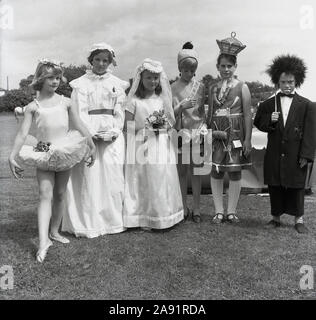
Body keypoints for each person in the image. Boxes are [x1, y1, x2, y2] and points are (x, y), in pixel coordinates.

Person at [8, 59, 96, 262]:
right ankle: (42, 241)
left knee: (59, 193)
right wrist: (12, 155)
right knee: (45, 194)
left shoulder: (66, 102)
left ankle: (54, 232)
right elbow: (22, 134)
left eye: (57, 77)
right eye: (50, 77)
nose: (55, 81)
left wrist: (91, 146)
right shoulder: (32, 106)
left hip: (64, 150)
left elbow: (79, 124)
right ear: (40, 79)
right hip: (43, 151)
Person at [62, 43, 129, 238]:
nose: (101, 63)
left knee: (112, 176)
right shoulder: (80, 84)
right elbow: (78, 111)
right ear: (91, 60)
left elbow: (120, 110)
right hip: (86, 131)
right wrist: (90, 133)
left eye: (105, 60)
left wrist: (114, 130)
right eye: (97, 59)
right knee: (88, 177)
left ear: (110, 62)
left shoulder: (118, 83)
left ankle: (112, 221)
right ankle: (88, 222)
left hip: (111, 133)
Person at [254, 54, 316, 233]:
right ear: (277, 83)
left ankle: (299, 220)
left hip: (297, 154)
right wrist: (270, 121)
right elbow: (258, 122)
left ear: (296, 81)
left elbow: (311, 133)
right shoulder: (268, 104)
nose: (287, 85)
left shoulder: (307, 105)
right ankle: (275, 218)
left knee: (297, 186)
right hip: (274, 153)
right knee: (275, 185)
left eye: (291, 82)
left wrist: (306, 155)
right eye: (284, 82)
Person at [123, 58, 184, 229]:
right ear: (141, 79)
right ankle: (142, 216)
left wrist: (161, 126)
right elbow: (127, 126)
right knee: (142, 179)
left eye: (155, 78)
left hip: (160, 143)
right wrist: (146, 127)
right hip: (140, 144)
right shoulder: (134, 101)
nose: (153, 81)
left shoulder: (162, 100)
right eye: (149, 78)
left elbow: (170, 121)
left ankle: (162, 215)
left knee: (160, 178)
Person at [207, 32, 252, 224]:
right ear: (217, 67)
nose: (226, 69)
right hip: (217, 131)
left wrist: (248, 139)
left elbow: (248, 114)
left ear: (235, 66)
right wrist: (209, 133)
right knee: (216, 169)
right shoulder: (212, 87)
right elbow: (209, 115)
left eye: (229, 66)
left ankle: (231, 211)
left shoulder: (243, 87)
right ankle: (218, 211)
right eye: (222, 66)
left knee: (234, 170)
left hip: (235, 132)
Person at [171, 42, 206, 223]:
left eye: (192, 71)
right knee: (182, 171)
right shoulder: (172, 88)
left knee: (197, 172)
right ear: (179, 68)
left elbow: (202, 112)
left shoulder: (200, 87)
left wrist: (203, 129)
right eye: (185, 70)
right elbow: (169, 113)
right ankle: (183, 206)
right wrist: (180, 107)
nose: (188, 73)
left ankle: (198, 208)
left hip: (197, 133)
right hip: (180, 133)